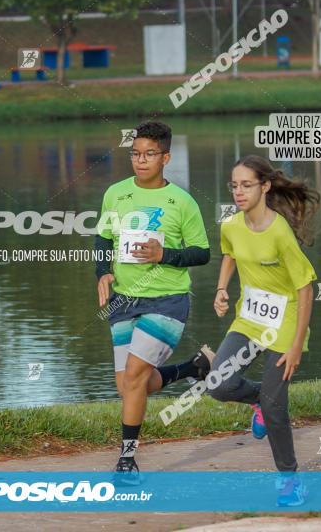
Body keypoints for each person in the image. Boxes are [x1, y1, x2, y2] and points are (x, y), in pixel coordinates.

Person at [95, 120, 215, 485]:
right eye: (135, 154)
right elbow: (102, 237)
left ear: (166, 158)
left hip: (167, 301)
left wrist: (163, 254)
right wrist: (103, 272)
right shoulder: (115, 193)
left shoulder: (182, 201)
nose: (141, 161)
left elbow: (202, 253)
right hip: (123, 302)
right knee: (129, 386)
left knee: (133, 378)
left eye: (149, 155)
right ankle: (193, 369)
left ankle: (127, 461)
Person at [208, 154, 319, 507]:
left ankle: (290, 480)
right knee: (219, 383)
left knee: (276, 407)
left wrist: (297, 345)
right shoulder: (231, 225)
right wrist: (222, 289)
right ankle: (256, 398)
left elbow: (305, 289)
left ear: (265, 186)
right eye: (234, 185)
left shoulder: (280, 233)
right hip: (250, 320)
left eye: (246, 185)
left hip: (285, 322)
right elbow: (230, 254)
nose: (238, 192)